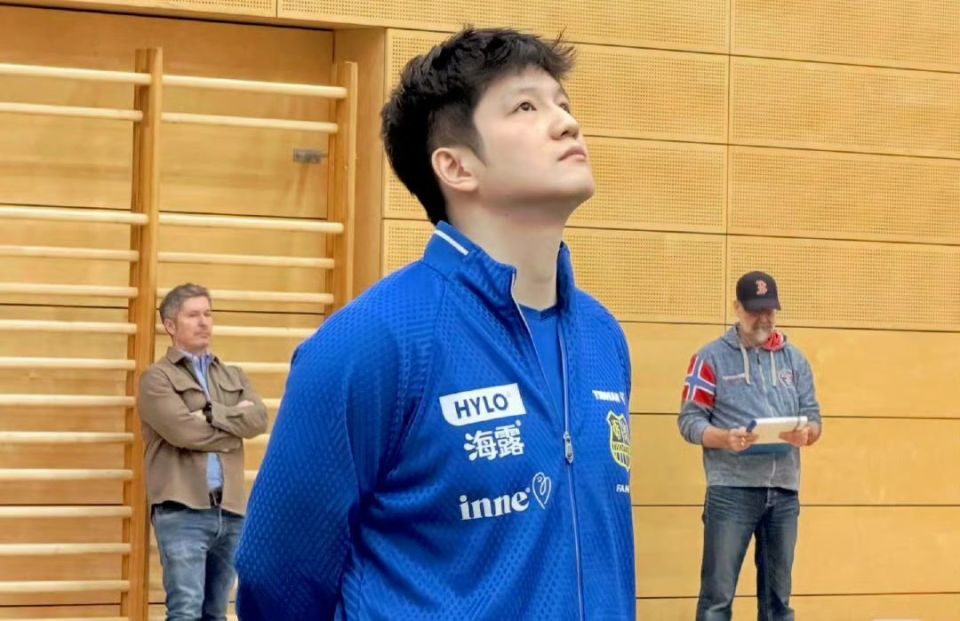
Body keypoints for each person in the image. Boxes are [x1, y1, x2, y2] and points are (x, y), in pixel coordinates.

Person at [235, 27, 635, 620]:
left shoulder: (602, 338)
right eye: (526, 107)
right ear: (455, 166)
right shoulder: (372, 342)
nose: (566, 124)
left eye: (563, 103)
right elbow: (277, 576)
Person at [678, 271, 822, 620]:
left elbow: (814, 417)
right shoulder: (709, 358)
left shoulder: (795, 360)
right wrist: (725, 439)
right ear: (736, 308)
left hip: (784, 492)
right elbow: (690, 421)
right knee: (717, 599)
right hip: (731, 491)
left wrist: (807, 433)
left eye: (770, 310)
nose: (764, 318)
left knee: (778, 602)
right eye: (755, 310)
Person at [137, 283, 267, 621]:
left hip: (231, 510)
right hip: (182, 510)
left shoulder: (233, 375)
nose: (204, 322)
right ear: (170, 325)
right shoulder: (156, 379)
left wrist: (210, 413)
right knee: (185, 610)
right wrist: (232, 427)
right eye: (193, 315)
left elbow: (258, 420)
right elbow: (183, 431)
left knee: (217, 613)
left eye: (208, 314)